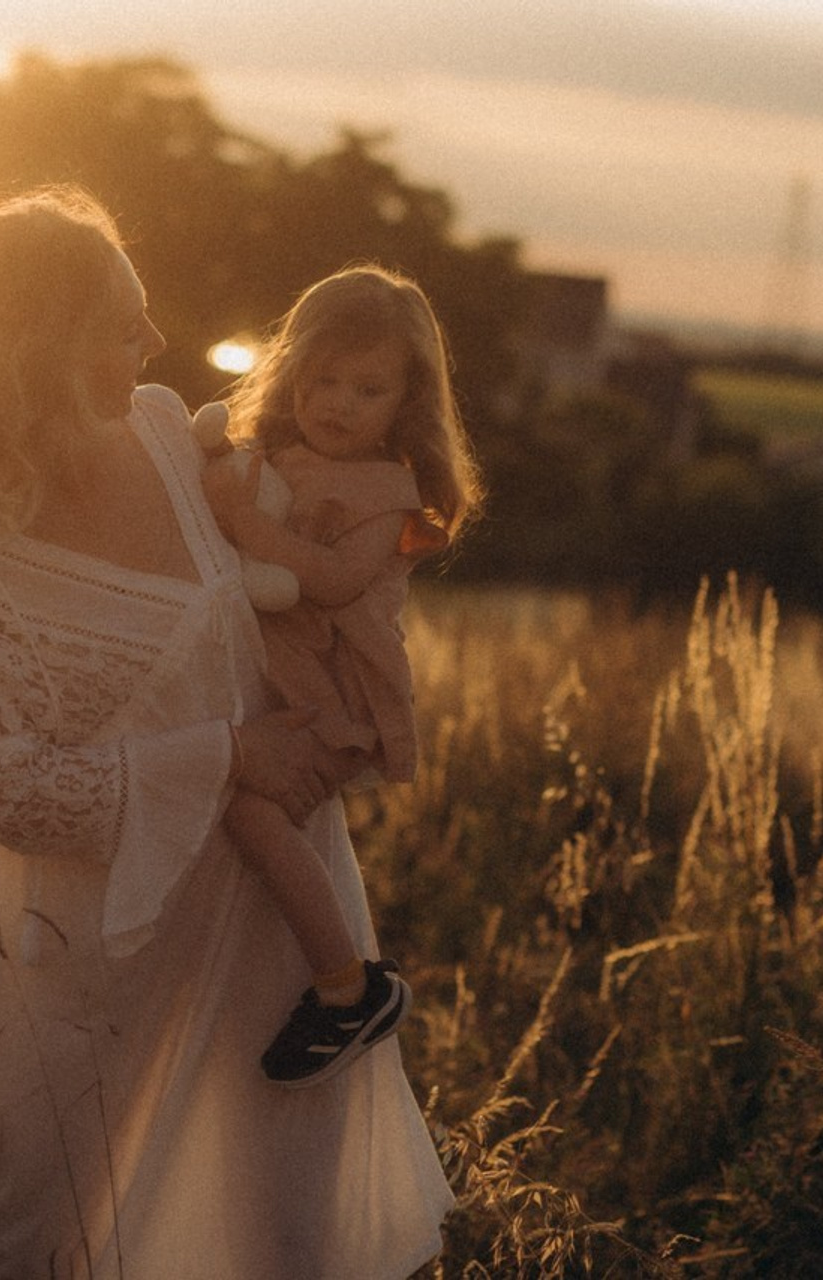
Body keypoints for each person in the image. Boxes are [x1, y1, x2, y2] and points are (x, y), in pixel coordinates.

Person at [0, 186, 454, 1278]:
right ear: (41, 343)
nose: (156, 340)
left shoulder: (166, 432)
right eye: (123, 323)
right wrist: (227, 753)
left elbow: (309, 546)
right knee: (55, 1231)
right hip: (98, 937)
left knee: (282, 1220)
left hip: (274, 897)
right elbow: (1, 784)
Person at [202, 266, 482, 1089]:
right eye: (323, 379)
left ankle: (348, 988)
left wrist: (246, 522)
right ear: (292, 372)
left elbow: (330, 581)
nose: (338, 403)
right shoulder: (275, 456)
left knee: (253, 814)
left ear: (406, 404)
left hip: (333, 697)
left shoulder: (388, 495)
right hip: (271, 679)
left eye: (368, 389)